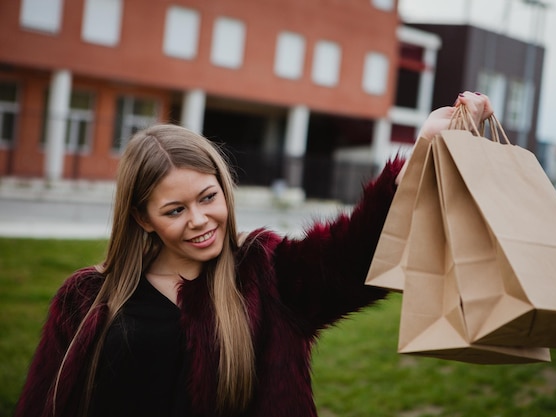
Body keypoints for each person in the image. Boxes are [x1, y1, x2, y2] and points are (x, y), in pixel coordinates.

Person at [14, 92, 493, 417]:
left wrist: (427, 142)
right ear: (143, 219)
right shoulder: (84, 300)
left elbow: (356, 251)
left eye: (208, 197)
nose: (200, 220)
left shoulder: (265, 276)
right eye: (175, 210)